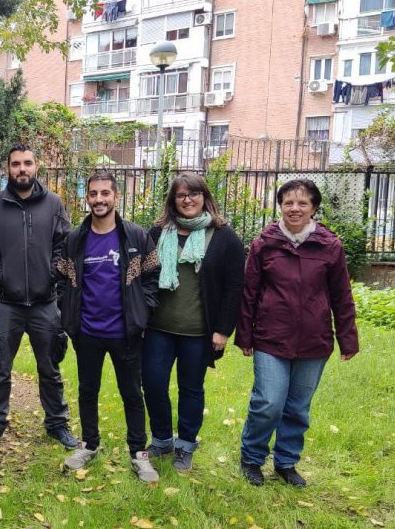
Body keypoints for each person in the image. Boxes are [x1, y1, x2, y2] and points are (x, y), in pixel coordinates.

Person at [236, 179, 359, 487]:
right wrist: (245, 335)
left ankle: (286, 462)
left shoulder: (330, 246)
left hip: (314, 340)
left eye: (302, 203)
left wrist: (347, 338)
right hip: (270, 337)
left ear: (314, 208)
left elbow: (342, 295)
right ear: (280, 206)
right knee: (269, 401)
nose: (295, 208)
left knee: (297, 407)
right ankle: (251, 458)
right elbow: (249, 292)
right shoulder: (265, 242)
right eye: (288, 202)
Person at [56, 171, 162, 482]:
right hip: (87, 331)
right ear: (86, 197)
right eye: (93, 194)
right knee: (88, 390)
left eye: (105, 193)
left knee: (131, 392)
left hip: (125, 333)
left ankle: (138, 453)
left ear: (116, 196)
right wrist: (69, 312)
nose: (99, 199)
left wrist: (143, 314)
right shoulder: (75, 240)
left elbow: (153, 279)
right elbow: (62, 279)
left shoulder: (136, 237)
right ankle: (88, 444)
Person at [0, 143, 77, 450]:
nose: (22, 169)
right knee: (0, 368)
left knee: (50, 368)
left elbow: (65, 245)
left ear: (36, 166)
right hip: (6, 304)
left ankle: (57, 424)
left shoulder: (54, 204)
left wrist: (51, 276)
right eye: (16, 163)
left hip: (45, 304)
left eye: (27, 163)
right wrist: (3, 276)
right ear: (8, 168)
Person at [142, 173, 246, 472]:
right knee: (153, 384)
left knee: (191, 388)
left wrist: (224, 329)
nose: (187, 199)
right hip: (158, 328)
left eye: (194, 193)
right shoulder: (158, 232)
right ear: (172, 201)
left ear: (205, 197)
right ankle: (162, 440)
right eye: (180, 195)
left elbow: (234, 286)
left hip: (198, 332)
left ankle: (185, 444)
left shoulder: (224, 236)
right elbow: (143, 276)